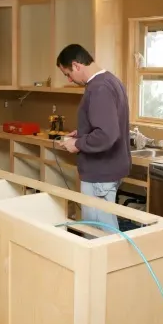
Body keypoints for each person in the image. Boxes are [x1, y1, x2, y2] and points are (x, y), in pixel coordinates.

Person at [55, 44, 130, 230]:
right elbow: (106, 124)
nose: (70, 80)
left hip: (100, 174)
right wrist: (81, 133)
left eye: (68, 74)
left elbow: (106, 134)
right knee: (103, 231)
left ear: (76, 65)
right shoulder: (110, 80)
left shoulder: (99, 88)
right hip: (107, 170)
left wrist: (78, 144)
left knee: (98, 234)